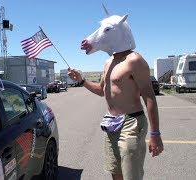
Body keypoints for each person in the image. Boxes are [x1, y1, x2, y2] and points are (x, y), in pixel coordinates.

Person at [68, 10, 164, 180]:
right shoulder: (108, 63)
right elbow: (100, 90)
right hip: (111, 123)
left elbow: (149, 97)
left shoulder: (135, 60)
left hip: (131, 123)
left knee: (131, 175)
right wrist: (81, 80)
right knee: (116, 173)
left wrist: (155, 134)